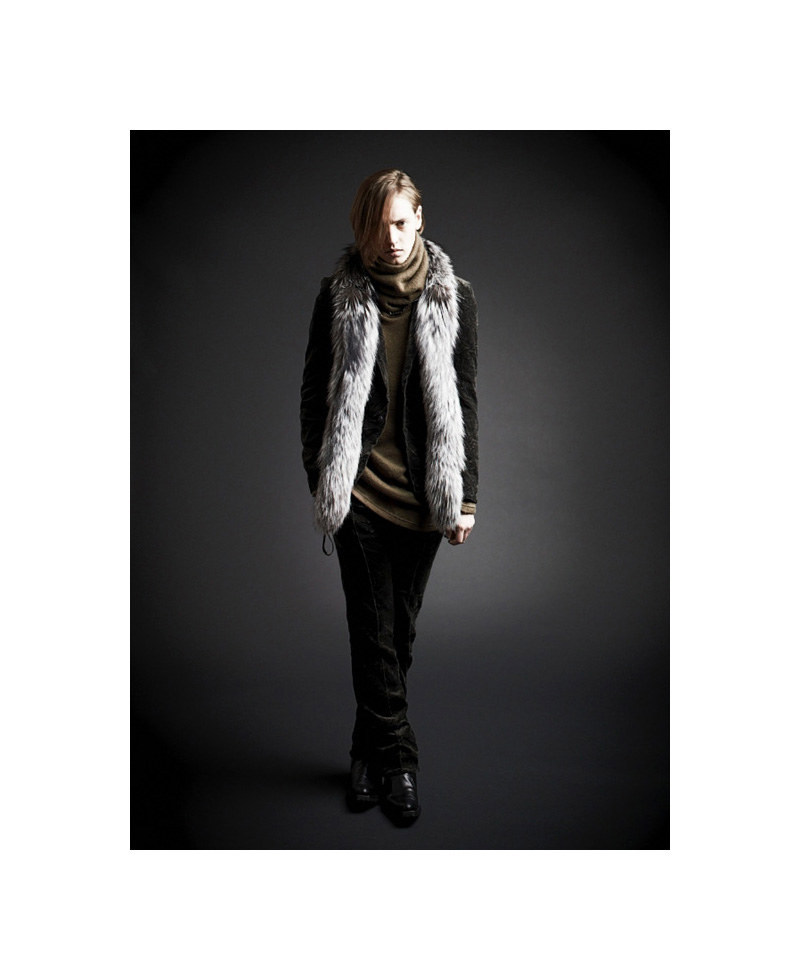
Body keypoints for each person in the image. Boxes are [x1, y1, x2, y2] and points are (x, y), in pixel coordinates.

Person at [300, 169, 478, 825]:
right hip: (361, 496)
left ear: (420, 219)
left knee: (396, 637)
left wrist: (465, 498)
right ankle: (399, 762)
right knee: (372, 633)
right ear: (362, 229)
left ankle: (363, 753)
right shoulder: (337, 296)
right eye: (379, 227)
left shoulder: (456, 298)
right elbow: (313, 395)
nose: (392, 238)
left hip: (426, 498)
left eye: (401, 223)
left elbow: (465, 400)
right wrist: (324, 477)